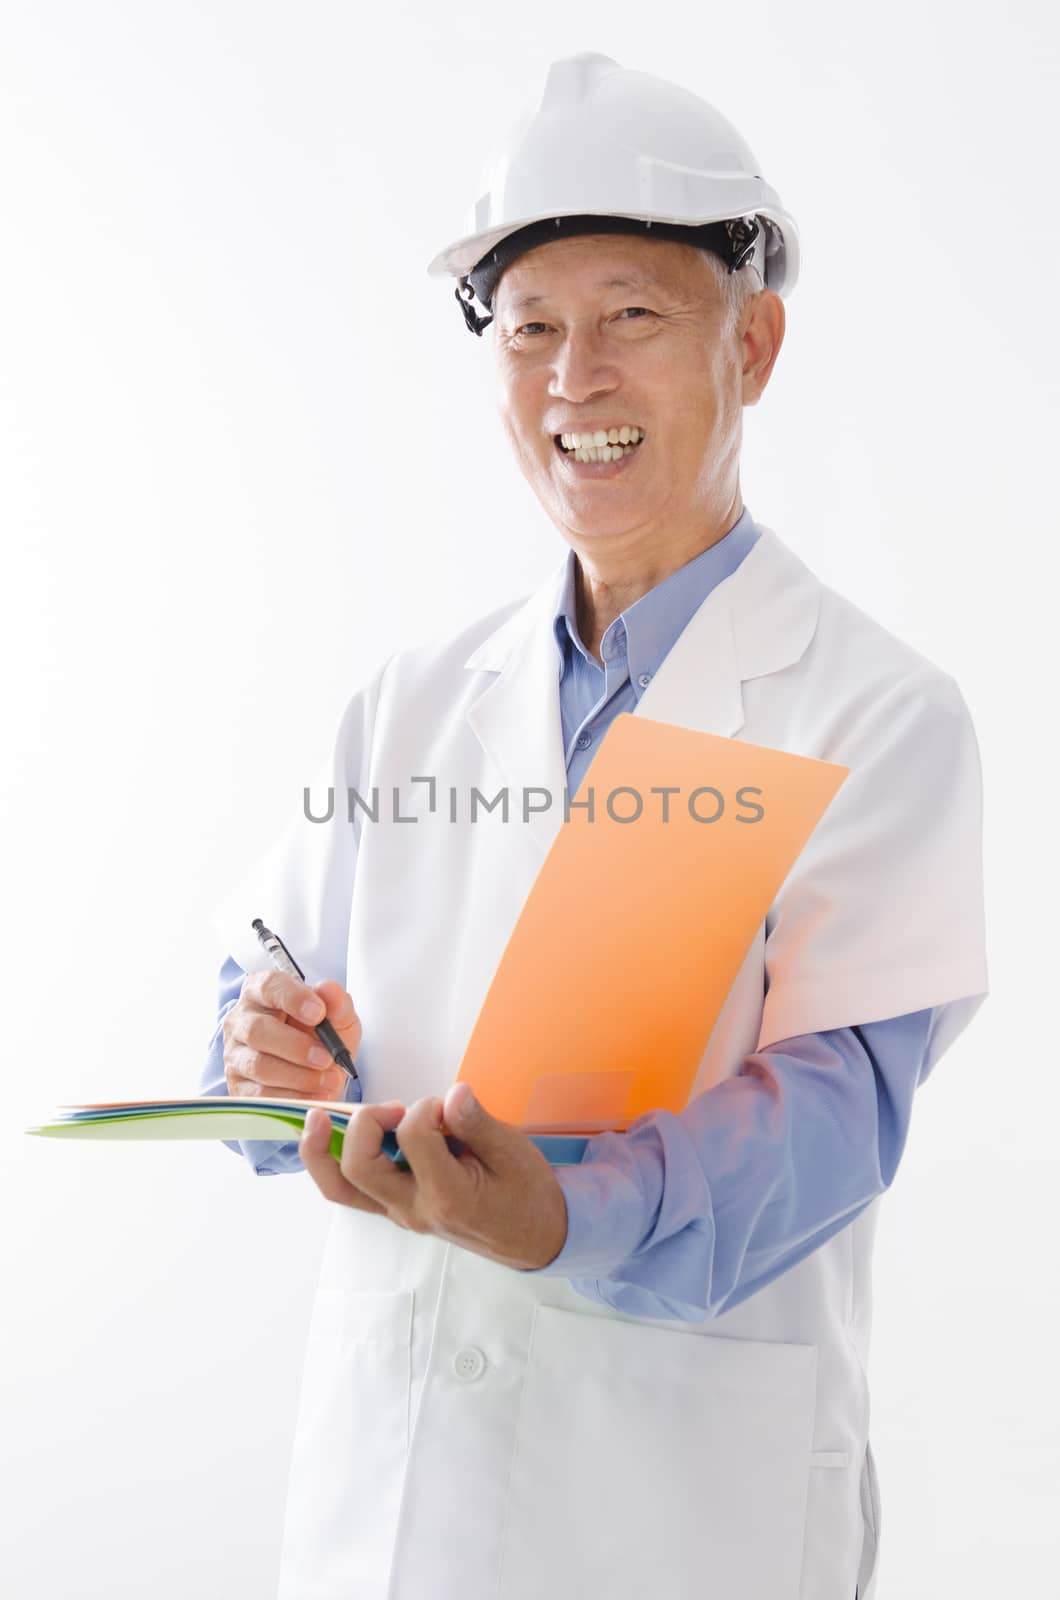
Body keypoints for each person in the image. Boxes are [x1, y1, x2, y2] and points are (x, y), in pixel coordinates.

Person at [201, 52, 988, 1600]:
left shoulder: (875, 713)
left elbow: (838, 1112)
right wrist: (262, 1057)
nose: (576, 379)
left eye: (631, 317)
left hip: (680, 1505)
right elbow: (264, 1006)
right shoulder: (408, 706)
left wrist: (562, 1216)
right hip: (394, 1500)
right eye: (531, 329)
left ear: (752, 344)